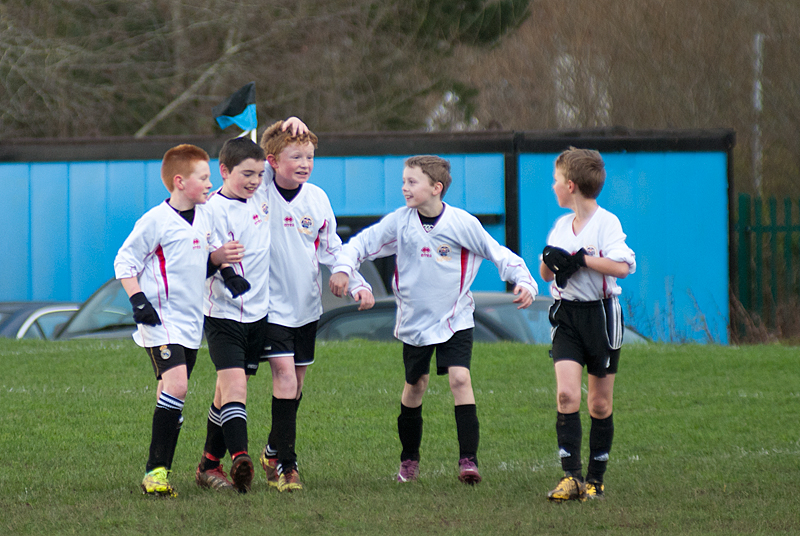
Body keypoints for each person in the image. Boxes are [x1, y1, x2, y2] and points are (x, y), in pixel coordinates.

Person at [330, 155, 537, 485]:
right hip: (414, 322)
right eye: (403, 181)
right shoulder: (400, 222)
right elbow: (360, 245)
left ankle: (468, 460)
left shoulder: (461, 223)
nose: (404, 188)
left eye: (412, 182)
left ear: (436, 188)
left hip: (456, 317)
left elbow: (498, 252)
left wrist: (523, 280)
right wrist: (344, 268)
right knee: (416, 387)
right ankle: (409, 459)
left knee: (459, 379)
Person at [114, 144, 248, 497]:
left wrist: (228, 272)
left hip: (190, 323)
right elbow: (124, 262)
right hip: (160, 320)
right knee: (178, 386)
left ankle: (160, 467)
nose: (209, 184)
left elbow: (211, 254)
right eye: (203, 178)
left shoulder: (206, 216)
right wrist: (138, 299)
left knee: (169, 394)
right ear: (179, 181)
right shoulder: (155, 220)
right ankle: (154, 474)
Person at [257, 120, 375, 492]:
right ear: (273, 161)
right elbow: (246, 161)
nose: (305, 162)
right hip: (269, 307)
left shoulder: (317, 198)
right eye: (296, 156)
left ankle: (274, 448)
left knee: (296, 387)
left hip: (306, 308)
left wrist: (354, 280)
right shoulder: (258, 190)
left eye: (309, 156)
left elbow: (331, 249)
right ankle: (287, 469)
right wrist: (280, 123)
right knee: (285, 379)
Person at [195, 120, 309, 494]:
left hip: (260, 316)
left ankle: (209, 465)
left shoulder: (261, 196)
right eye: (246, 174)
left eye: (260, 174)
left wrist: (285, 124)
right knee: (236, 387)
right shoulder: (209, 210)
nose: (255, 181)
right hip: (223, 317)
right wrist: (215, 259)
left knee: (223, 392)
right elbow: (191, 261)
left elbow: (276, 161)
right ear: (223, 171)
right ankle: (241, 457)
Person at [539, 147, 636, 502]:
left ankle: (596, 479)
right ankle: (572, 478)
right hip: (567, 315)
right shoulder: (562, 225)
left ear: (571, 185)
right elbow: (547, 272)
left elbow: (623, 266)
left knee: (598, 403)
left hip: (601, 316)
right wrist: (551, 261)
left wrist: (584, 260)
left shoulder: (606, 223)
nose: (552, 187)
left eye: (555, 181)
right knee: (566, 394)